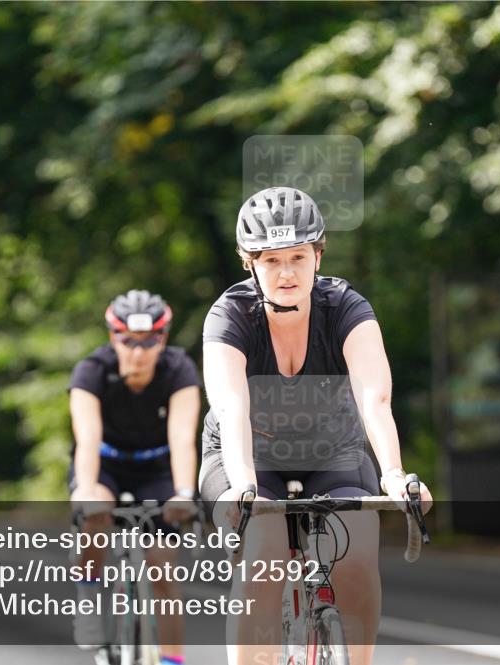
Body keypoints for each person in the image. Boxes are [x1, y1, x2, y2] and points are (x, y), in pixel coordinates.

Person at [199, 186, 434, 665]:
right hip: (247, 457)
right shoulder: (229, 317)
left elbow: (374, 395)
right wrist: (244, 488)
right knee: (263, 551)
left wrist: (393, 473)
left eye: (298, 257)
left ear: (318, 255)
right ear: (250, 263)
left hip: (333, 451)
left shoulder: (346, 307)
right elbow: (230, 406)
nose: (286, 273)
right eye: (271, 261)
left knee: (356, 552)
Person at [69, 289, 201, 664]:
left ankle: (171, 660)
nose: (139, 352)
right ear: (113, 337)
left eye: (149, 341)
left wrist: (184, 493)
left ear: (164, 338)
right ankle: (89, 593)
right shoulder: (91, 370)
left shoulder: (179, 369)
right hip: (106, 463)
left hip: (155, 467)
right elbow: (87, 439)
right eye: (128, 341)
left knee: (163, 570)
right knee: (95, 512)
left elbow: (181, 438)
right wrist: (87, 488)